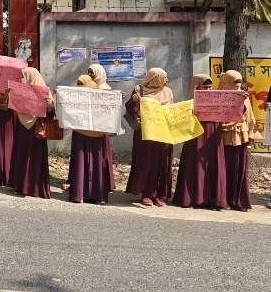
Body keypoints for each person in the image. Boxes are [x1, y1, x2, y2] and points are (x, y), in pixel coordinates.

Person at [172, 75, 226, 209]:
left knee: (212, 163)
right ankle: (193, 198)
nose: (208, 89)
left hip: (213, 134)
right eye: (204, 87)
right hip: (196, 135)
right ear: (197, 87)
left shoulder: (215, 97)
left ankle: (212, 199)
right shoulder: (190, 100)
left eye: (209, 87)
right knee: (195, 164)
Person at [125, 68, 175, 207]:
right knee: (147, 162)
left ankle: (160, 195)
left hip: (163, 133)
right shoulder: (139, 90)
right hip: (145, 134)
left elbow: (171, 110)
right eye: (164, 78)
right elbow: (130, 108)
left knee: (162, 163)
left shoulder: (168, 91)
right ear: (155, 78)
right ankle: (146, 194)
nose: (167, 80)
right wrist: (135, 103)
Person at [10, 67, 54, 199]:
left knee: (34, 159)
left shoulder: (44, 91)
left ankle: (35, 188)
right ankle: (20, 186)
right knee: (22, 157)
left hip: (36, 131)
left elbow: (51, 113)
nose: (23, 78)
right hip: (23, 129)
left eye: (25, 76)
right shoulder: (21, 91)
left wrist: (49, 105)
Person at [67, 75, 112, 204]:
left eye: (82, 84)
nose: (79, 87)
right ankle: (79, 194)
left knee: (97, 164)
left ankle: (98, 195)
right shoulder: (76, 97)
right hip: (80, 133)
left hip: (96, 135)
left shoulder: (100, 96)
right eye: (78, 84)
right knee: (80, 163)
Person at [219, 70, 258, 212]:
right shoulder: (220, 96)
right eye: (234, 81)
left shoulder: (245, 96)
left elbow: (250, 117)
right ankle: (225, 199)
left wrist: (250, 136)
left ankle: (238, 200)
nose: (238, 85)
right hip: (225, 139)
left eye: (240, 82)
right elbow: (218, 118)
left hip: (241, 138)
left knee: (239, 170)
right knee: (225, 170)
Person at [88, 64, 117, 191]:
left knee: (102, 156)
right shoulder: (84, 88)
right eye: (88, 72)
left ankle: (104, 183)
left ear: (99, 74)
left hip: (101, 129)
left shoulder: (107, 91)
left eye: (92, 73)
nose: (89, 75)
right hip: (88, 128)